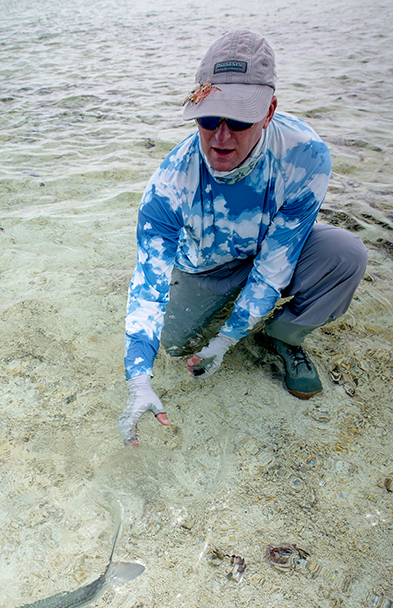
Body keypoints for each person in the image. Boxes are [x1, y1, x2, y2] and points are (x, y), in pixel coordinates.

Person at [118, 29, 368, 443]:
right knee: (174, 345)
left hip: (271, 249)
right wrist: (138, 382)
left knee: (346, 253)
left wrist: (226, 341)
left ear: (269, 111)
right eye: (209, 118)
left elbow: (277, 263)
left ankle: (285, 334)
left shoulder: (307, 155)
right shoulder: (168, 184)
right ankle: (231, 310)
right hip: (205, 266)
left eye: (238, 119)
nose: (221, 137)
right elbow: (147, 287)